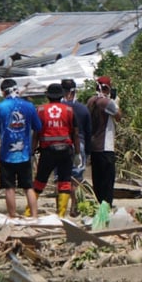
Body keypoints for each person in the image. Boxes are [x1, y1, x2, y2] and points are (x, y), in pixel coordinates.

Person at [0, 79, 42, 218]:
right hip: (24, 153)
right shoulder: (29, 106)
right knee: (28, 186)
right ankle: (34, 216)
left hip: (7, 154)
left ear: (3, 91)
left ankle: (12, 216)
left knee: (9, 187)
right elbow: (38, 127)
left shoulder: (0, 107)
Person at [31, 83, 79, 217]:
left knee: (39, 182)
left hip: (47, 152)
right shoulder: (69, 111)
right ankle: (61, 214)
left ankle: (29, 212)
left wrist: (31, 152)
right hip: (66, 151)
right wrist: (78, 153)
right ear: (62, 95)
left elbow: (35, 134)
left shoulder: (40, 110)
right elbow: (75, 133)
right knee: (64, 182)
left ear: (48, 96)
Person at [87, 76, 122, 208]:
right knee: (107, 182)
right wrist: (115, 102)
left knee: (97, 181)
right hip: (106, 147)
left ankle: (99, 206)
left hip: (94, 147)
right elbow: (118, 116)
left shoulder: (91, 101)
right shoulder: (106, 102)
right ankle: (106, 208)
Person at [60, 78, 91, 215]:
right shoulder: (82, 109)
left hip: (61, 144)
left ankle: (62, 208)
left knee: (62, 178)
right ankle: (74, 205)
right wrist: (88, 152)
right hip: (80, 145)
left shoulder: (58, 109)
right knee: (76, 178)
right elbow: (88, 131)